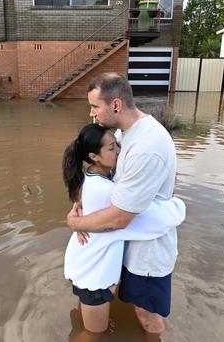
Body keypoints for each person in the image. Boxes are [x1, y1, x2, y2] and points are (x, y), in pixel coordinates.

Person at [66, 72, 179, 334]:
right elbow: (108, 182)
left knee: (146, 314)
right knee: (130, 305)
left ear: (115, 105)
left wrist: (75, 223)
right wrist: (83, 207)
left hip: (148, 252)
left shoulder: (147, 145)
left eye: (95, 106)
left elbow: (119, 218)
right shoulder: (123, 134)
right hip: (127, 244)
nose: (92, 114)